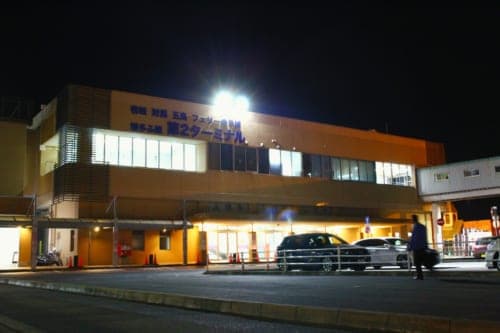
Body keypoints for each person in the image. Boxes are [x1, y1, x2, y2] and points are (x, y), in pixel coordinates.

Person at [408, 214, 428, 280]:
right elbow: (425, 238)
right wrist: (426, 245)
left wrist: (410, 247)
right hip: (422, 247)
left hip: (417, 247)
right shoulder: (422, 227)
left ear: (413, 219)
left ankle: (420, 275)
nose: (411, 220)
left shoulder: (415, 228)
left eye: (412, 219)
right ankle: (420, 275)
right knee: (420, 261)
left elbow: (413, 239)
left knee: (417, 262)